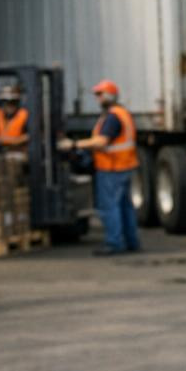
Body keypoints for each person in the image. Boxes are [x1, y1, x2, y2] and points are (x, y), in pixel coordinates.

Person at [63, 79, 141, 256]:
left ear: (108, 96)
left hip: (112, 167)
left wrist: (74, 145)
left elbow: (101, 141)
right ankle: (131, 241)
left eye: (99, 95)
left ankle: (114, 243)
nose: (97, 99)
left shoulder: (113, 116)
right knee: (124, 206)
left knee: (109, 207)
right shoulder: (122, 113)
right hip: (124, 166)